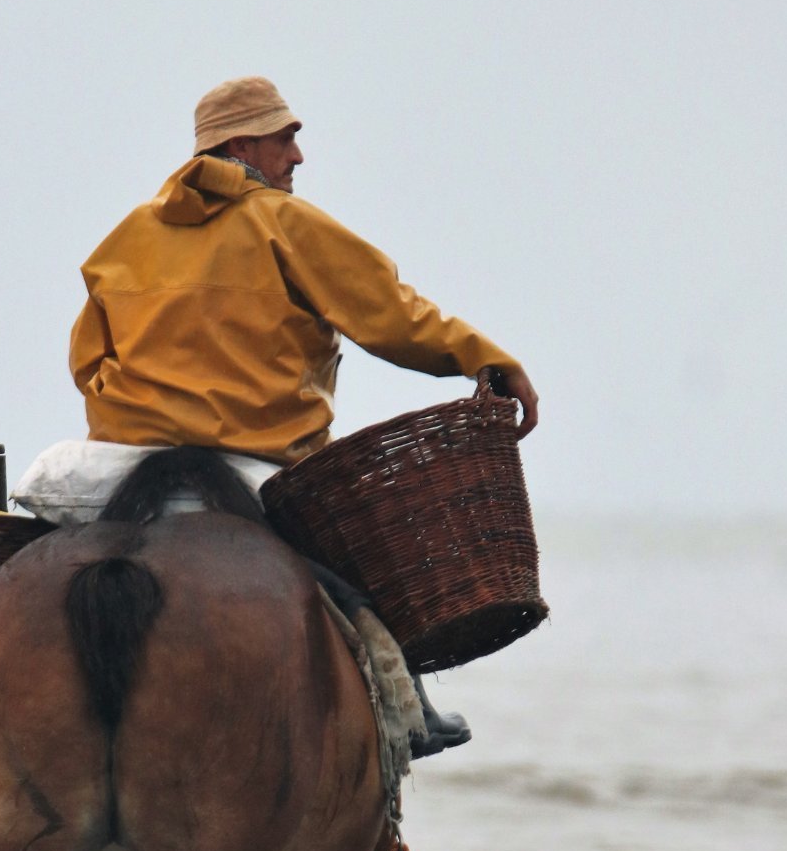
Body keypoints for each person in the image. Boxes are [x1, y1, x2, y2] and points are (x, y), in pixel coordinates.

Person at [67, 76, 539, 755]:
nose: (296, 157)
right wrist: (485, 359)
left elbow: (87, 360)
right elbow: (391, 314)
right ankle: (411, 711)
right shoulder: (285, 223)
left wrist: (138, 412)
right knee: (359, 584)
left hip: (124, 458)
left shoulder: (125, 238)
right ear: (242, 143)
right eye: (284, 137)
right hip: (255, 461)